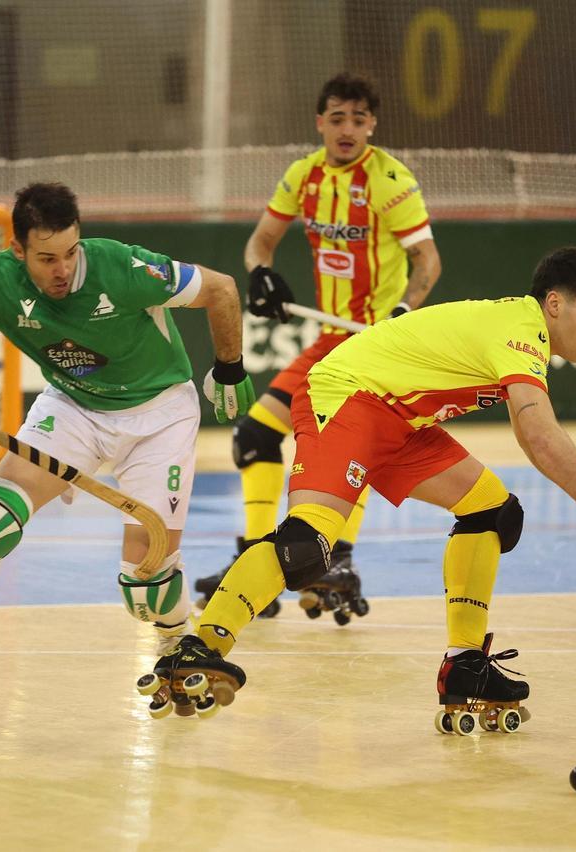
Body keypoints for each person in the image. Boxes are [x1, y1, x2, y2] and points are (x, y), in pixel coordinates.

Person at [149, 247, 576, 720]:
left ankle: (465, 664)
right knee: (307, 543)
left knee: (492, 512)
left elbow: (530, 431)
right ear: (555, 303)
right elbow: (536, 432)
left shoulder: (521, 329)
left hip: (402, 420)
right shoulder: (521, 330)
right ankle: (201, 646)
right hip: (351, 396)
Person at [0, 182, 254, 732]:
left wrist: (230, 367)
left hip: (161, 414)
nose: (63, 269)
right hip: (73, 409)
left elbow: (223, 289)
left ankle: (176, 642)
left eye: (70, 252)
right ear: (19, 250)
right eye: (46, 258)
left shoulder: (124, 267)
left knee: (147, 589)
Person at [195, 72, 442, 620]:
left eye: (359, 119)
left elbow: (428, 261)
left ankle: (339, 560)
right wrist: (260, 274)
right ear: (320, 123)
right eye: (337, 118)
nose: (348, 129)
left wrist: (400, 317)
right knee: (256, 434)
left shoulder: (389, 181)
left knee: (350, 449)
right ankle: (255, 561)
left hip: (377, 346)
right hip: (332, 340)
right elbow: (260, 243)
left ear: (372, 124)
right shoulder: (303, 176)